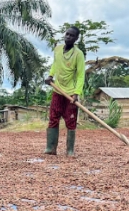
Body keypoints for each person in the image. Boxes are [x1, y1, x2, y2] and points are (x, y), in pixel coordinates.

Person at [44, 26, 85, 156]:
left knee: (71, 120)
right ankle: (51, 148)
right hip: (58, 90)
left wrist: (76, 93)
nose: (68, 37)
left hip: (71, 93)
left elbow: (80, 75)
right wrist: (50, 76)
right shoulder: (57, 49)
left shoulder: (78, 54)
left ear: (76, 38)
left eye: (72, 35)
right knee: (53, 118)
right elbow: (55, 64)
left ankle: (70, 150)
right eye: (67, 34)